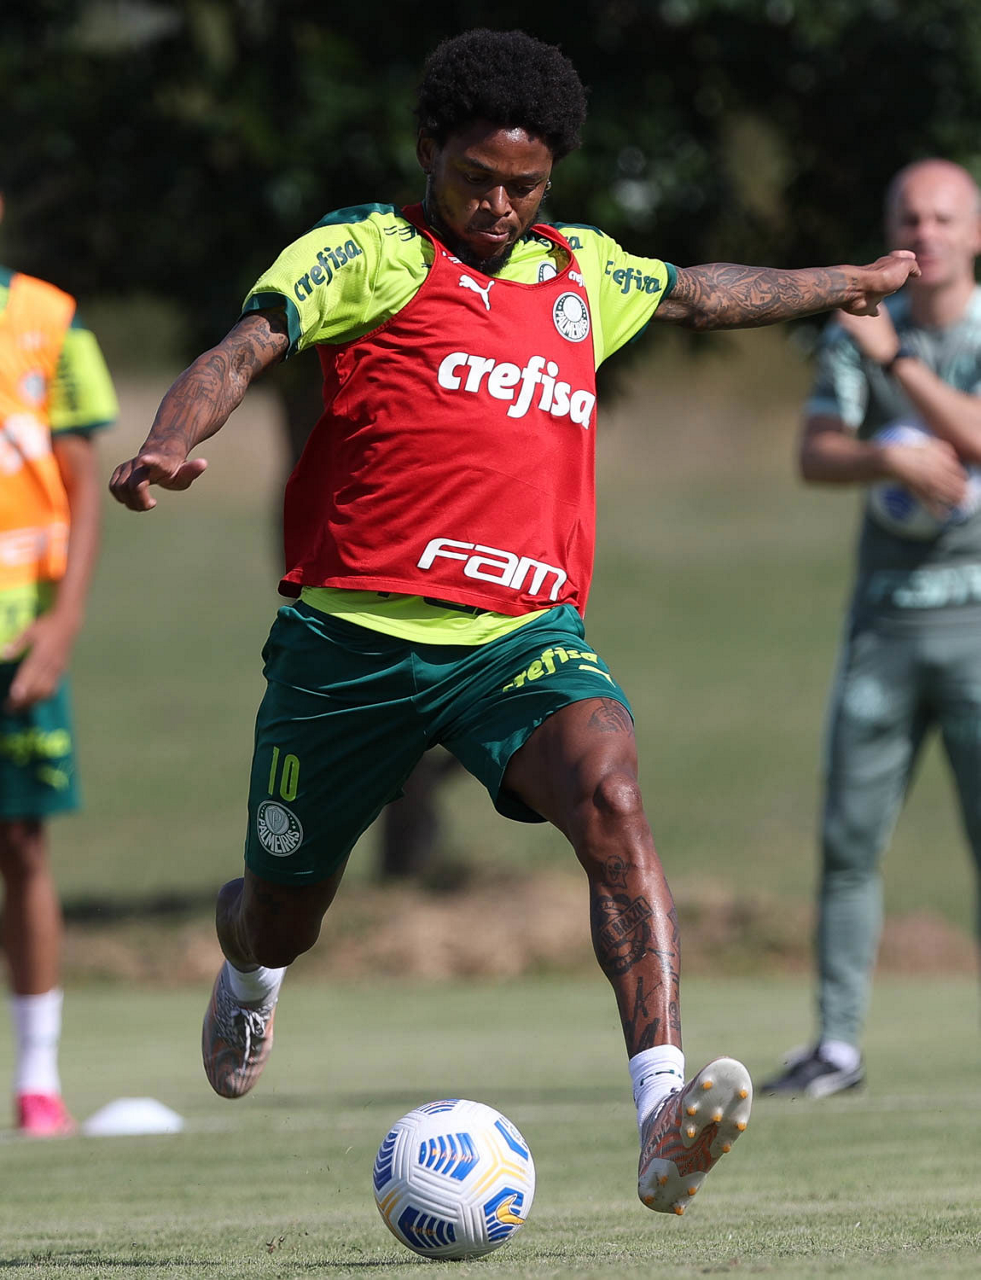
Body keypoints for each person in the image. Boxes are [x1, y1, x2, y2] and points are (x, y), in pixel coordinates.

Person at [109, 29, 916, 1214]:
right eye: (476, 178)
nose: (498, 206)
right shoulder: (367, 252)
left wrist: (842, 283)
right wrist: (170, 438)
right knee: (281, 913)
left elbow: (699, 293)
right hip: (351, 646)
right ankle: (249, 972)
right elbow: (246, 347)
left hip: (520, 637)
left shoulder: (583, 273)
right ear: (428, 152)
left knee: (612, 793)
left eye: (524, 187)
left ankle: (661, 1118)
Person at [761, 158, 981, 1099]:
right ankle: (836, 1046)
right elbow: (815, 454)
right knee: (848, 840)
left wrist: (896, 366)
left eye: (943, 217)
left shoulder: (897, 339)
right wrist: (885, 457)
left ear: (974, 232)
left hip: (976, 625)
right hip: (883, 628)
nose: (925, 233)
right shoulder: (854, 328)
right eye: (908, 218)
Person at [0, 190, 118, 1134]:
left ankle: (38, 1080)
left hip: (19, 633)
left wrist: (65, 621)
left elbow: (80, 486)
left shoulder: (51, 321)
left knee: (22, 845)